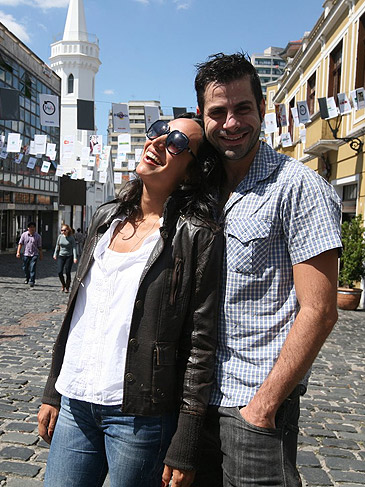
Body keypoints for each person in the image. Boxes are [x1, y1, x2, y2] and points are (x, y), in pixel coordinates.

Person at [38, 115, 223, 487]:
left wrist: (186, 436)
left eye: (176, 142)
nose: (156, 142)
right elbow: (78, 313)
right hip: (75, 402)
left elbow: (201, 343)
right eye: (156, 131)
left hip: (140, 416)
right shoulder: (107, 217)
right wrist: (53, 389)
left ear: (190, 172)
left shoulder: (196, 235)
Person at [192, 53, 342, 486]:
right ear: (203, 118)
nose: (231, 122)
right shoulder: (204, 188)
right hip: (194, 394)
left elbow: (320, 310)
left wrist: (265, 404)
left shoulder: (298, 187)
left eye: (243, 108)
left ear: (263, 109)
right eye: (217, 112)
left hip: (252, 400)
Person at [16, 222, 42, 288]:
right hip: (26, 254)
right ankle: (27, 277)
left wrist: (41, 254)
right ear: (28, 228)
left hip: (34, 254)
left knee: (32, 267)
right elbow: (20, 244)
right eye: (30, 227)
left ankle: (32, 281)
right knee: (25, 267)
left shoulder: (38, 236)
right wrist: (18, 252)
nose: (32, 228)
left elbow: (39, 247)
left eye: (33, 227)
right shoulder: (24, 235)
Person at [52, 224, 77, 292]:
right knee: (60, 272)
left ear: (68, 230)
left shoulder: (71, 238)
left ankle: (67, 287)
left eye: (64, 230)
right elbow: (57, 245)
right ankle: (63, 284)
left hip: (69, 256)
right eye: (62, 230)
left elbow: (74, 247)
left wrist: (75, 257)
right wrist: (55, 254)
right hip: (61, 255)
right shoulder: (60, 237)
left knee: (67, 271)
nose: (63, 231)